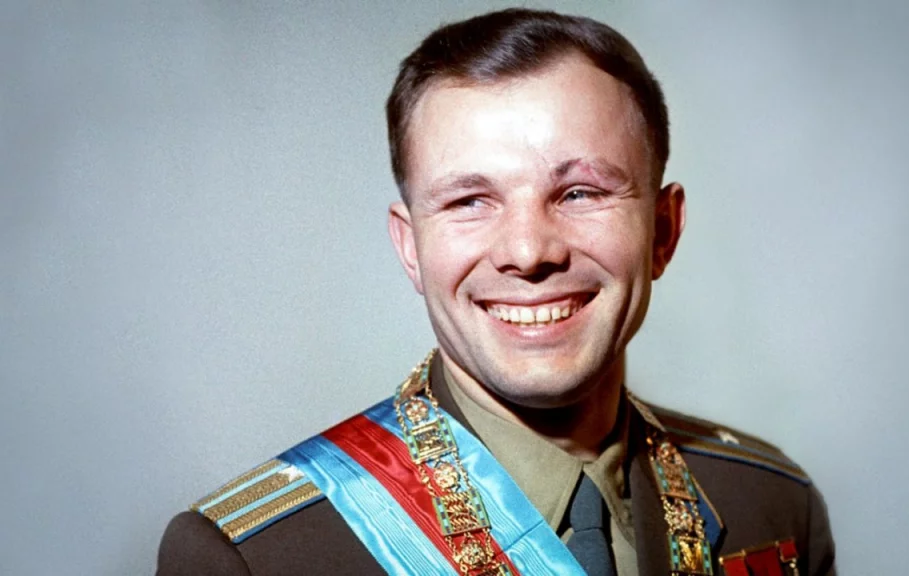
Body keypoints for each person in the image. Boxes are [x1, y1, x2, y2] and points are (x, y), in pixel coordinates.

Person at [157, 8, 836, 576]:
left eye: (580, 193)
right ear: (410, 247)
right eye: (470, 201)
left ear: (663, 230)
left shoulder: (770, 504)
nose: (529, 252)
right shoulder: (260, 558)